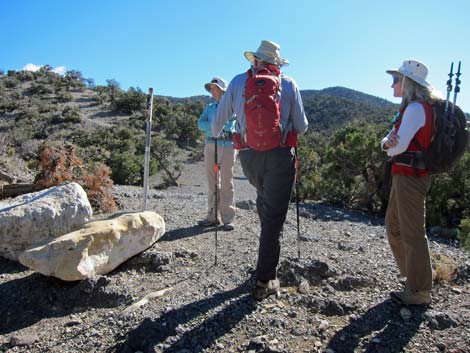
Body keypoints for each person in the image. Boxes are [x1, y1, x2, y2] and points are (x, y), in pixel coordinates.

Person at [211, 40, 308, 300]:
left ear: (254, 60)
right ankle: (265, 280)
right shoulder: (288, 83)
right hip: (278, 156)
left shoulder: (237, 82)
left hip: (249, 155)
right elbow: (302, 126)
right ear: (275, 62)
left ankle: (265, 258)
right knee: (274, 218)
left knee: (265, 202)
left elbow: (216, 124)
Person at [381, 60, 442, 305]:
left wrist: (386, 145)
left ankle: (419, 290)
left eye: (396, 79)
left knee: (411, 232)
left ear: (408, 83)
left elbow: (397, 147)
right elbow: (390, 142)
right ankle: (415, 277)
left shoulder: (416, 109)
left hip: (411, 177)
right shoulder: (414, 108)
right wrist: (387, 143)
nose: (393, 84)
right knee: (394, 226)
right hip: (406, 174)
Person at [197, 77, 237, 231]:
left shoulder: (231, 106)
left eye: (215, 88)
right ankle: (212, 216)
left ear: (222, 90)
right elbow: (200, 124)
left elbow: (228, 124)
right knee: (212, 180)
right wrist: (215, 126)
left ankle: (228, 218)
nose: (212, 91)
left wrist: (212, 125)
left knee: (227, 180)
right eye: (211, 88)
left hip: (227, 145)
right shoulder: (210, 107)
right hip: (211, 144)